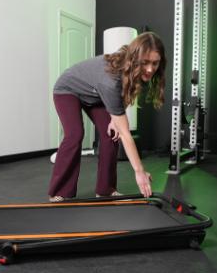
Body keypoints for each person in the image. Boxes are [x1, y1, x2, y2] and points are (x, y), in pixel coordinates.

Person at [48, 31, 167, 202]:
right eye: (145, 63)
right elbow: (126, 133)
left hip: (95, 94)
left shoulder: (133, 68)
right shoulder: (110, 80)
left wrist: (113, 120)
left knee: (111, 134)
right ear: (135, 58)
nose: (150, 69)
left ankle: (106, 190)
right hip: (68, 90)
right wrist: (139, 171)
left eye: (155, 63)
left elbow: (126, 92)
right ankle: (59, 191)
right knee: (75, 134)